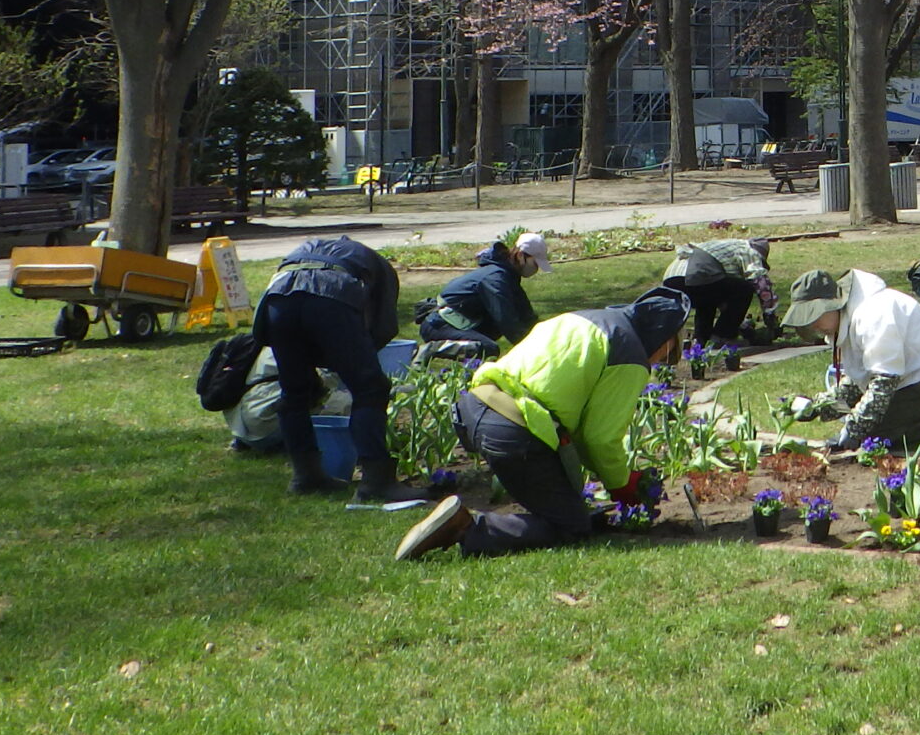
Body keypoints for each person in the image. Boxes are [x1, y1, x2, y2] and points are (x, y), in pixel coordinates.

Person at [394, 284, 691, 560]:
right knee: (570, 527)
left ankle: (473, 519)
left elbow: (584, 432)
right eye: (670, 352)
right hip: (513, 429)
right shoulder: (629, 352)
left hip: (475, 407)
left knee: (569, 505)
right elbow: (599, 437)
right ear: (664, 338)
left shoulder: (581, 319)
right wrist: (623, 484)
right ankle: (468, 526)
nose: (662, 361)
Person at [255, 235, 425, 502]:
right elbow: (383, 327)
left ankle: (306, 476)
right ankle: (377, 482)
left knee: (295, 392)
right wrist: (357, 365)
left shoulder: (313, 250)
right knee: (371, 388)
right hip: (330, 294)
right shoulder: (382, 271)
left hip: (278, 296)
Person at [782, 267, 920, 453]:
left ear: (834, 304)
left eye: (816, 315)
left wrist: (856, 429)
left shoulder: (873, 314)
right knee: (871, 434)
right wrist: (816, 407)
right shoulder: (851, 316)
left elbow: (883, 382)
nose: (814, 325)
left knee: (879, 441)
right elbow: (859, 381)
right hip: (910, 382)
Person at [414, 229, 548, 354]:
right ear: (520, 256)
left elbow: (527, 318)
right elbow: (508, 324)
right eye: (536, 263)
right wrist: (535, 352)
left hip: (460, 323)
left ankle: (466, 371)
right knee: (487, 348)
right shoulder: (495, 279)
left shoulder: (508, 277)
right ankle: (430, 350)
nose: (537, 269)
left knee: (492, 333)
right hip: (438, 325)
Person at [668, 236, 781, 344]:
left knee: (708, 300)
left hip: (672, 277)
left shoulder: (725, 250)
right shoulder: (749, 251)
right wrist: (769, 315)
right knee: (744, 289)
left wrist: (744, 327)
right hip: (696, 274)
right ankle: (722, 336)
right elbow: (762, 284)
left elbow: (725, 303)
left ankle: (701, 339)